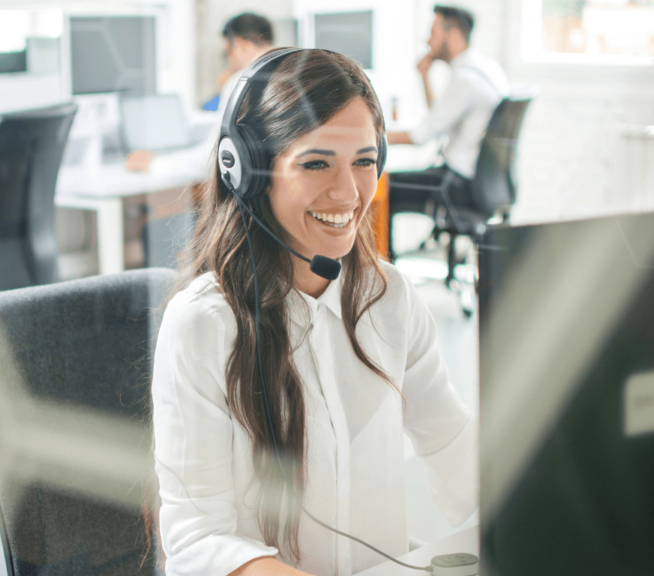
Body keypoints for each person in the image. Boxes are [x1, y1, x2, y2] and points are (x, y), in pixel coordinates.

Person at [151, 49, 476, 576]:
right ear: (248, 172)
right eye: (316, 163)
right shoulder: (204, 326)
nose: (349, 193)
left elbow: (455, 449)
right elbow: (198, 544)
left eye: (365, 161)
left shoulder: (389, 297)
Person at [385, 5, 510, 219]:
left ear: (452, 35)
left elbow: (420, 136)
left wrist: (370, 138)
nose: (427, 41)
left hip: (458, 185)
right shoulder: (486, 69)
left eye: (433, 33)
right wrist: (424, 77)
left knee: (383, 186)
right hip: (485, 183)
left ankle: (382, 254)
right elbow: (441, 118)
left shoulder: (466, 80)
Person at [126, 12, 274, 172]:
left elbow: (215, 155)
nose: (229, 61)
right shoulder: (294, 68)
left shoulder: (241, 81)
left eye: (226, 53)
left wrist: (156, 164)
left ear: (240, 45)